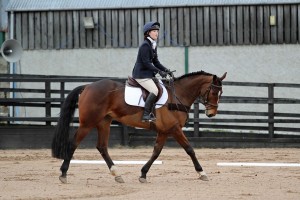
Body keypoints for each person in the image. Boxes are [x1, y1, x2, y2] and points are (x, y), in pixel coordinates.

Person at [132, 21, 171, 122]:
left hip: (147, 74)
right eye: (154, 31)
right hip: (141, 75)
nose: (157, 33)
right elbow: (146, 63)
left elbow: (156, 62)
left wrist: (166, 70)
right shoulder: (145, 45)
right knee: (155, 90)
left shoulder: (153, 44)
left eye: (157, 31)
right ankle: (145, 115)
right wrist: (159, 72)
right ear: (148, 33)